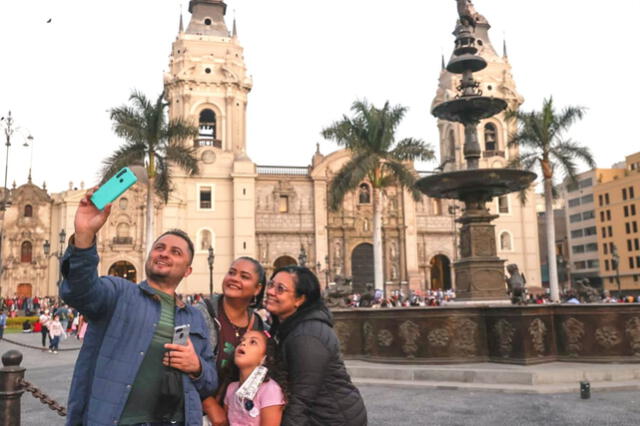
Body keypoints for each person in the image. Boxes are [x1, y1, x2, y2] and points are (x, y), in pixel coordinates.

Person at [60, 188, 217, 426]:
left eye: (175, 252)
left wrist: (196, 367)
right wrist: (84, 236)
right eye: (159, 248)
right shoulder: (118, 293)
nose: (164, 254)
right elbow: (79, 291)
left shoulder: (194, 317)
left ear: (188, 271)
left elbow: (210, 381)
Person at [265, 266, 367, 425]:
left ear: (300, 299)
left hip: (331, 418)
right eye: (271, 285)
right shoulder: (291, 326)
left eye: (280, 289)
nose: (271, 292)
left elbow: (301, 399)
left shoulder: (307, 336)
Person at [195, 257, 267, 426]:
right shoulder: (200, 315)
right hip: (197, 414)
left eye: (244, 276)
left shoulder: (259, 326)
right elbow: (182, 364)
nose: (234, 278)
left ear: (257, 288)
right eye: (232, 272)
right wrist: (210, 405)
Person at [223, 330, 286, 425]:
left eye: (253, 342)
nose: (243, 343)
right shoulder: (231, 388)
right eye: (241, 341)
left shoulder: (270, 390)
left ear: (265, 357)